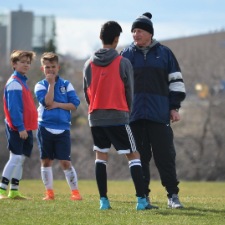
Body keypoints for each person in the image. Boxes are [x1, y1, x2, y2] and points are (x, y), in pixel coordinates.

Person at [83, 21, 155, 210]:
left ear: (100, 38)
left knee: (101, 156)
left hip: (95, 116)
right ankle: (141, 201)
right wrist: (126, 112)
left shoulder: (88, 64)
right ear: (117, 40)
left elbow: (86, 92)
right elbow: (129, 91)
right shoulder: (123, 62)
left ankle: (103, 202)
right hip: (118, 116)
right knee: (134, 155)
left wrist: (94, 110)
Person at [120, 12, 186, 209]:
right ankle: (144, 197)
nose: (135, 34)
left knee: (165, 156)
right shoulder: (125, 55)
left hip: (159, 115)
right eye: (133, 31)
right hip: (134, 116)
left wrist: (174, 107)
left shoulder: (165, 53)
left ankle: (172, 196)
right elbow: (118, 86)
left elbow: (176, 83)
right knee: (140, 159)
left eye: (139, 30)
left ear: (149, 33)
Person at [34, 52, 82, 201]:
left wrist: (58, 104)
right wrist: (51, 84)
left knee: (65, 162)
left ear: (58, 67)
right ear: (43, 69)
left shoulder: (67, 85)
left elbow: (75, 104)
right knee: (46, 161)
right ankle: (49, 193)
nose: (50, 70)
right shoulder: (40, 85)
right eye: (47, 67)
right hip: (45, 127)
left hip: (63, 128)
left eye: (53, 67)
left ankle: (75, 193)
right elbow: (47, 102)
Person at [0, 50, 38, 200]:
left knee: (20, 159)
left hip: (25, 127)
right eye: (22, 62)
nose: (26, 65)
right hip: (18, 127)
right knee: (15, 158)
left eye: (28, 62)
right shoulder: (15, 83)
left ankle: (14, 191)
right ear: (14, 64)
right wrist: (21, 127)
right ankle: (2, 191)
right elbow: (14, 108)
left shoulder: (22, 81)